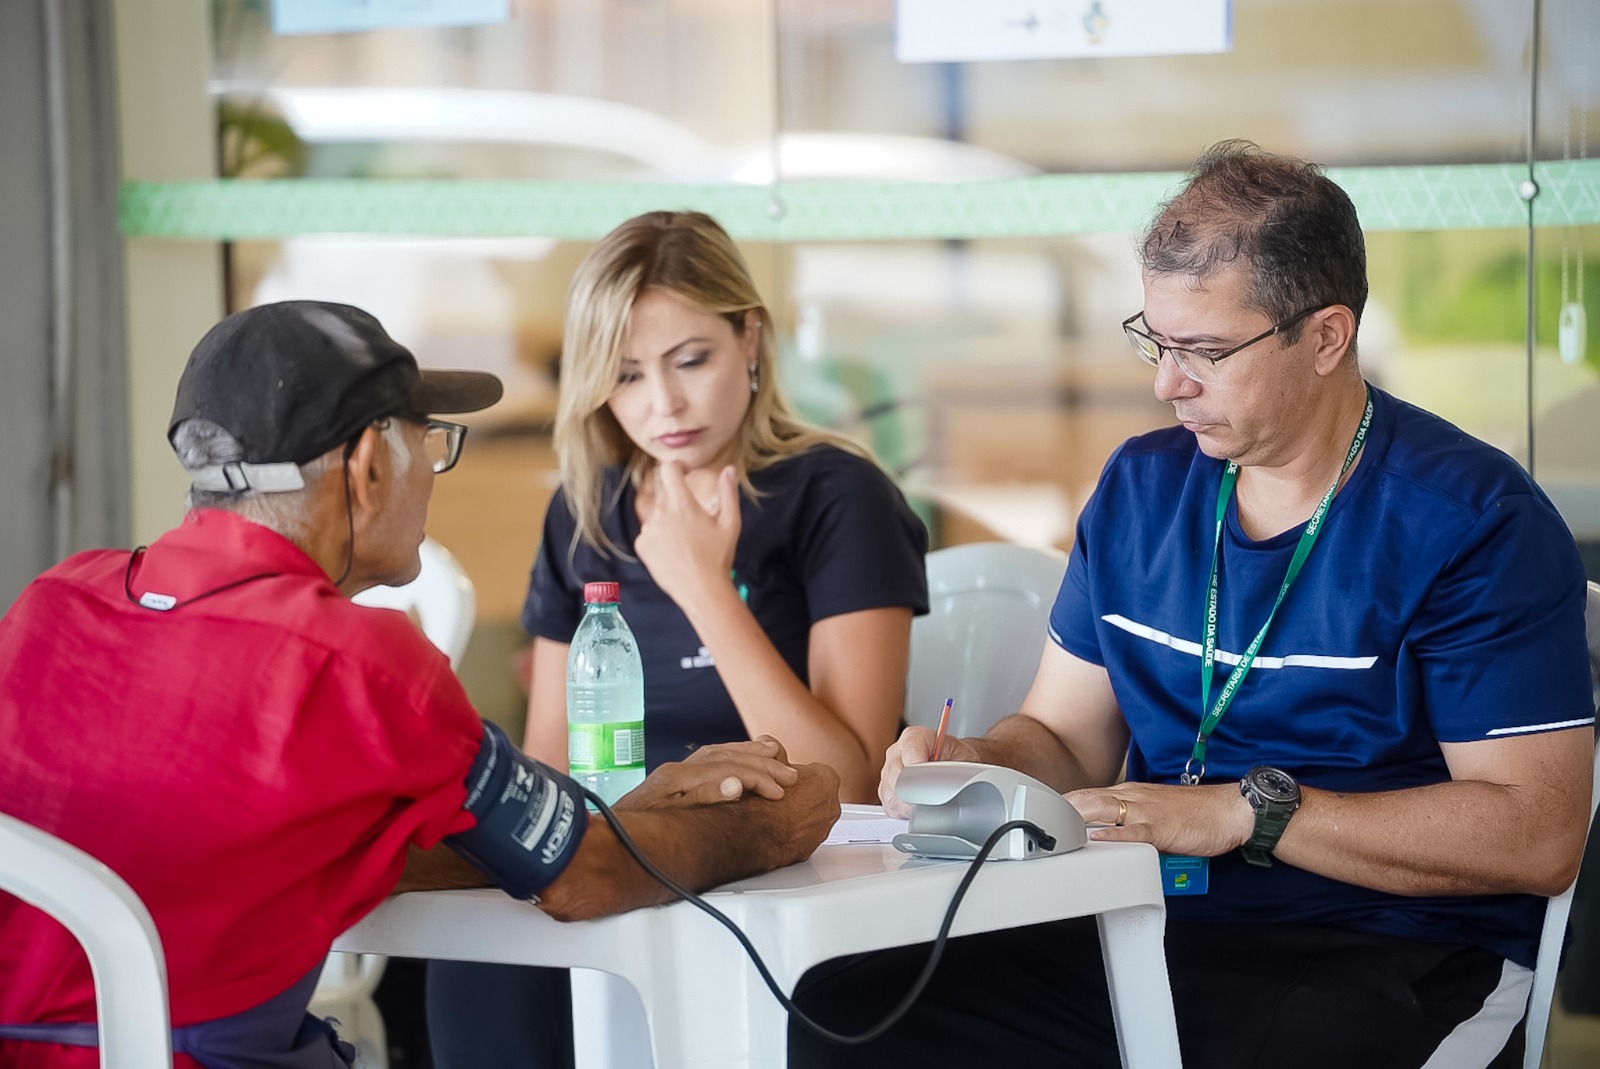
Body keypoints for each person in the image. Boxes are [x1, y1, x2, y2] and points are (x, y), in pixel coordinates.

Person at [789, 141, 1597, 1069]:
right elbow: (1062, 741)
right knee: (849, 1012)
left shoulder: (1471, 521)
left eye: (1206, 351)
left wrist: (1249, 813)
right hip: (1141, 915)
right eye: (1157, 341)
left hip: (1393, 948)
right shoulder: (1140, 487)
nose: (1167, 382)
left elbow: (1538, 835)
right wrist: (974, 761)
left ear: (1328, 337)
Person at [0, 300, 839, 1069]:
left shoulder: (52, 602)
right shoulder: (358, 661)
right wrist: (770, 827)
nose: (435, 469)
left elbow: (387, 850)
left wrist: (641, 807)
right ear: (367, 463)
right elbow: (584, 876)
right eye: (429, 438)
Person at [427, 210, 929, 1067]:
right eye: (625, 376)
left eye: (690, 359)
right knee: (473, 963)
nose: (663, 405)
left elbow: (847, 781)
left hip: (780, 866)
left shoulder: (838, 495)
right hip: (623, 855)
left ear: (751, 338)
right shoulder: (586, 510)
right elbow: (554, 761)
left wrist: (702, 584)